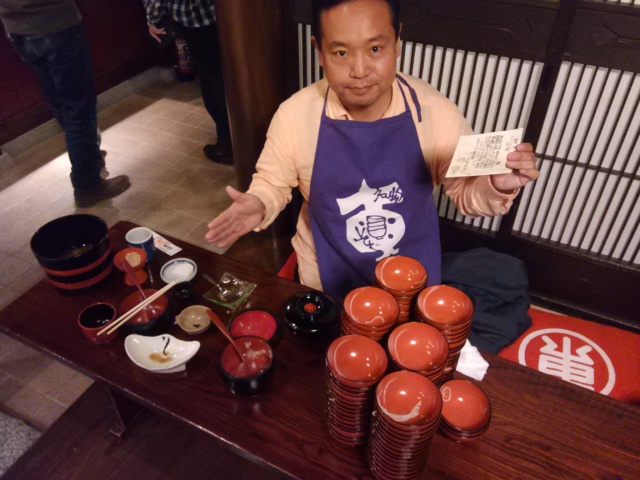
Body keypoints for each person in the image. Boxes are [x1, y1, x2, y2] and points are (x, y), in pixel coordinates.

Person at [205, 0, 540, 298]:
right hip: (323, 273)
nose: (360, 71)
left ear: (397, 41)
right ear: (318, 51)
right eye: (341, 53)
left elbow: (466, 192)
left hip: (410, 276)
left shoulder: (435, 112)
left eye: (375, 49)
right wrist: (259, 202)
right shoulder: (296, 114)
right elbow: (272, 181)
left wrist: (495, 184)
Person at [0, 0, 130, 208]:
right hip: (55, 23)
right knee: (78, 108)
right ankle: (88, 185)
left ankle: (88, 158)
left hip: (17, 30)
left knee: (59, 102)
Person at [144, 0, 233, 165]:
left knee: (212, 79)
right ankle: (243, 138)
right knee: (230, 73)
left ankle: (229, 144)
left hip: (195, 17)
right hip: (226, 11)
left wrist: (153, 17)